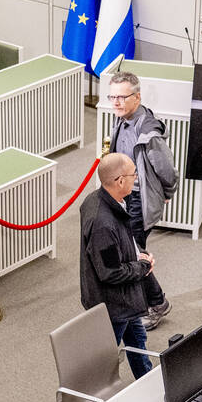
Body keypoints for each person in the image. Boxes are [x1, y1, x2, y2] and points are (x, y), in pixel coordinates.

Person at [105, 69, 176, 328]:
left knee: (135, 255)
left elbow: (166, 168)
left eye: (122, 97)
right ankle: (145, 300)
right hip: (121, 198)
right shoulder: (122, 120)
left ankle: (156, 303)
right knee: (130, 252)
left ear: (137, 97)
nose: (116, 102)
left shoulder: (148, 132)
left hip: (137, 201)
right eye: (112, 97)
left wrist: (167, 193)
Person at [80, 153, 157, 378]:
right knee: (103, 359)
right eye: (133, 174)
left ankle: (145, 382)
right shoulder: (103, 223)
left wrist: (139, 255)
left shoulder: (100, 200)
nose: (136, 178)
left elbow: (119, 248)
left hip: (126, 299)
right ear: (120, 181)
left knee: (138, 343)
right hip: (113, 304)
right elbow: (111, 272)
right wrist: (143, 267)